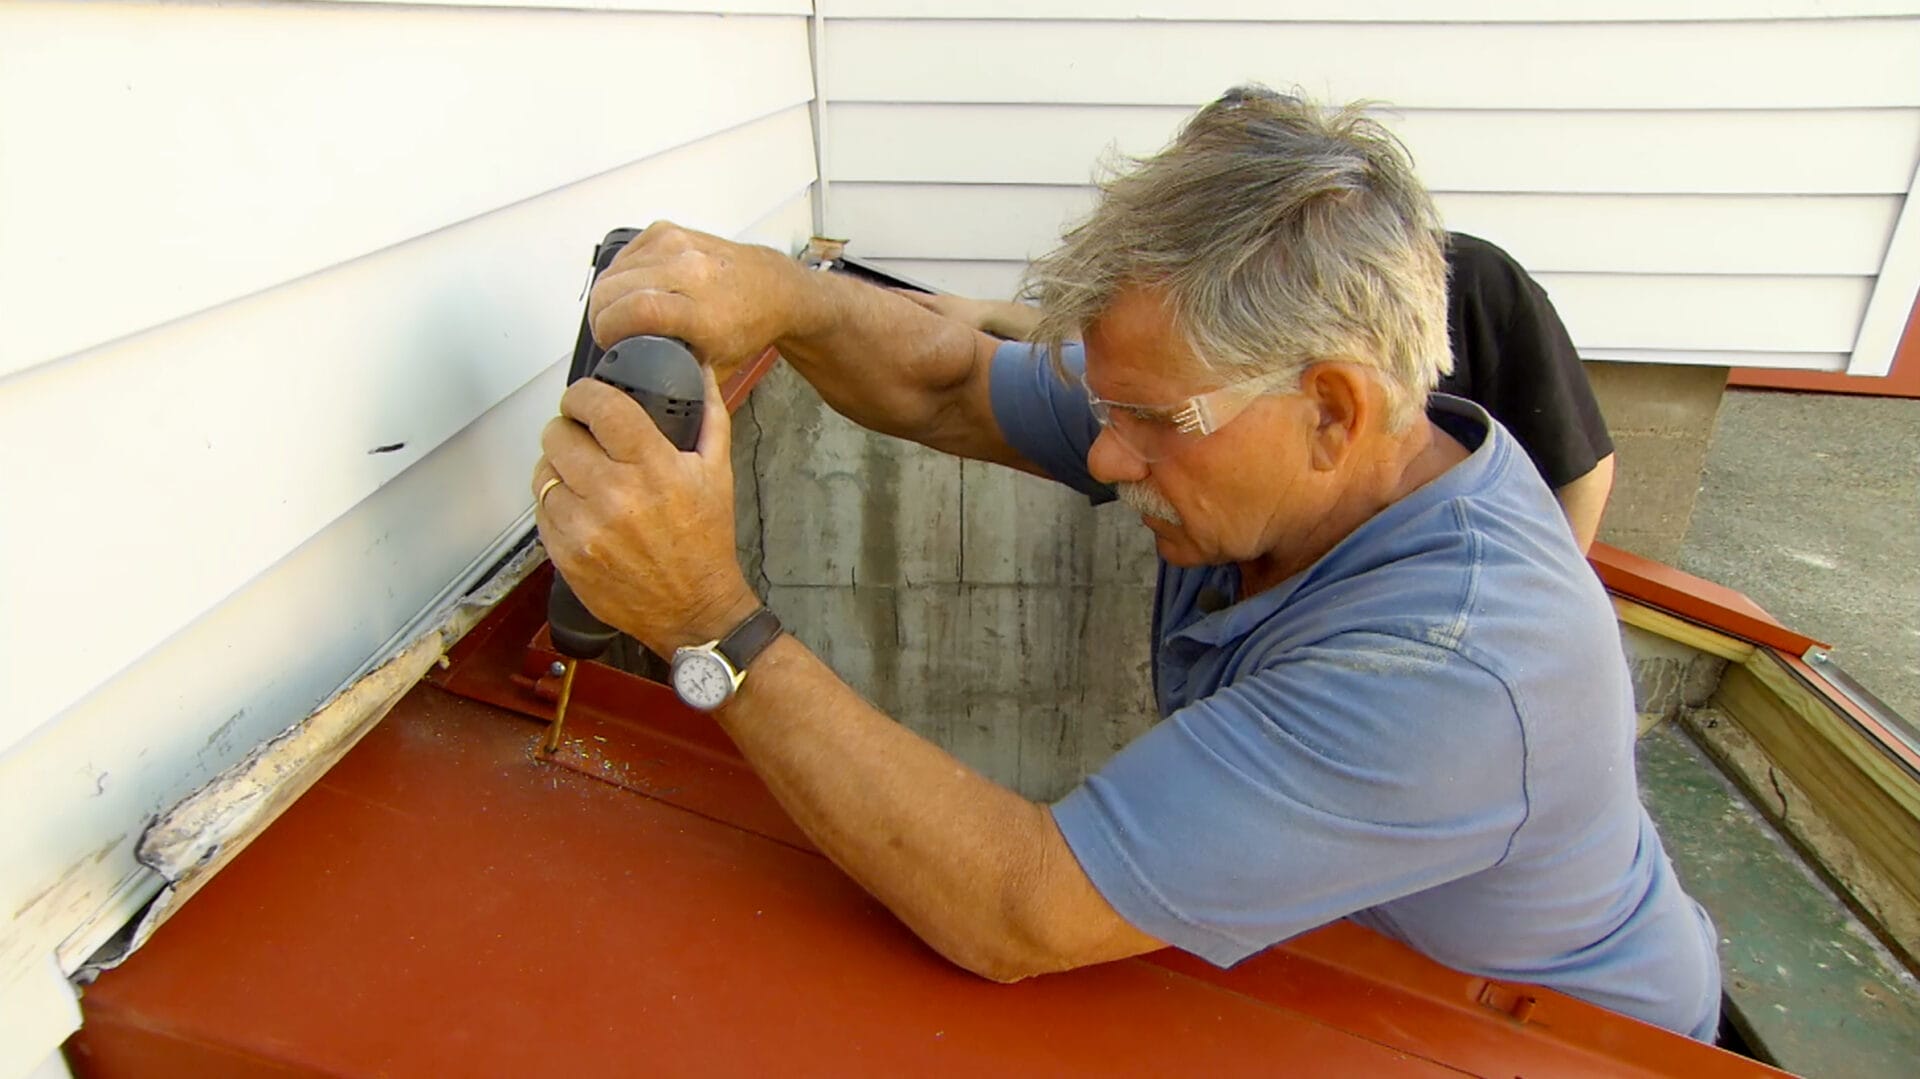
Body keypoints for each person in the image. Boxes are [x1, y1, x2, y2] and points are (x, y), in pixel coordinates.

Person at [530, 88, 1720, 1040]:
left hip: (1560, 1042)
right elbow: (950, 381)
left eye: (1152, 419)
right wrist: (784, 293)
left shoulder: (1452, 677)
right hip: (1365, 966)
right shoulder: (1286, 439)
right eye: (1106, 402)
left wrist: (704, 622)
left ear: (1334, 411)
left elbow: (1017, 905)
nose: (1103, 451)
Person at [905, 233, 1617, 551]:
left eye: (1158, 419)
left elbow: (1579, 463)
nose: (1109, 456)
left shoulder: (1481, 285)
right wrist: (990, 315)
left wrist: (1555, 587)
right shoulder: (1232, 339)